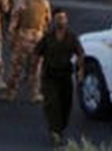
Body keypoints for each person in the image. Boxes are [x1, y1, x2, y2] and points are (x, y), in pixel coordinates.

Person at [34, 8, 84, 144]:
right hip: (50, 76)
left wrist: (80, 71)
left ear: (66, 20)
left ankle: (60, 128)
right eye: (58, 18)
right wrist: (36, 73)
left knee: (66, 105)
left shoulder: (71, 37)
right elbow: (37, 54)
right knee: (52, 104)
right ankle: (55, 133)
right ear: (54, 21)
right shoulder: (47, 37)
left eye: (63, 18)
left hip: (65, 76)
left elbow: (80, 53)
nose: (61, 21)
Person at [3, 0, 51, 103]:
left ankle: (10, 93)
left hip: (23, 39)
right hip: (38, 38)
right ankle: (35, 94)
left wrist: (11, 40)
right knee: (36, 69)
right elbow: (47, 22)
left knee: (16, 68)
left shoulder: (21, 3)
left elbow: (13, 25)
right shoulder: (45, 2)